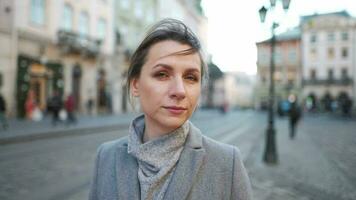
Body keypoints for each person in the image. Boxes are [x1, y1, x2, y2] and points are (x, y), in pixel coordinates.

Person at [89, 19, 252, 200]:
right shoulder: (106, 156)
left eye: (190, 77)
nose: (180, 91)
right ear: (135, 84)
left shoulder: (227, 163)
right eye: (162, 74)